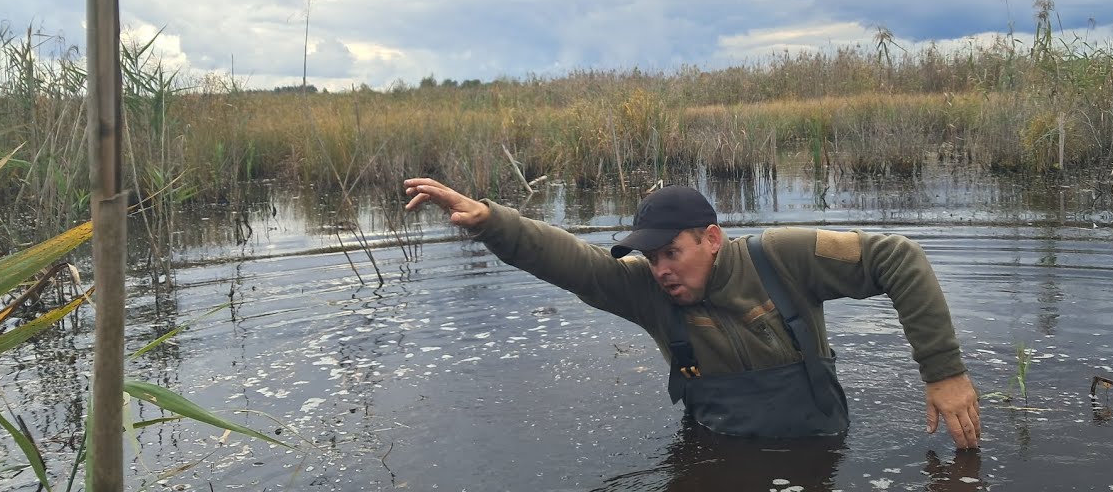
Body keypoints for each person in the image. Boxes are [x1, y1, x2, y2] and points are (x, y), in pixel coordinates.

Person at [403, 177, 981, 448]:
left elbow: (896, 257)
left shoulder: (782, 257)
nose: (661, 270)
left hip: (818, 447)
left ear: (711, 237)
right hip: (713, 450)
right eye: (651, 257)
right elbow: (574, 264)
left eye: (671, 253)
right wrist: (492, 222)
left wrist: (944, 373)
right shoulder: (646, 292)